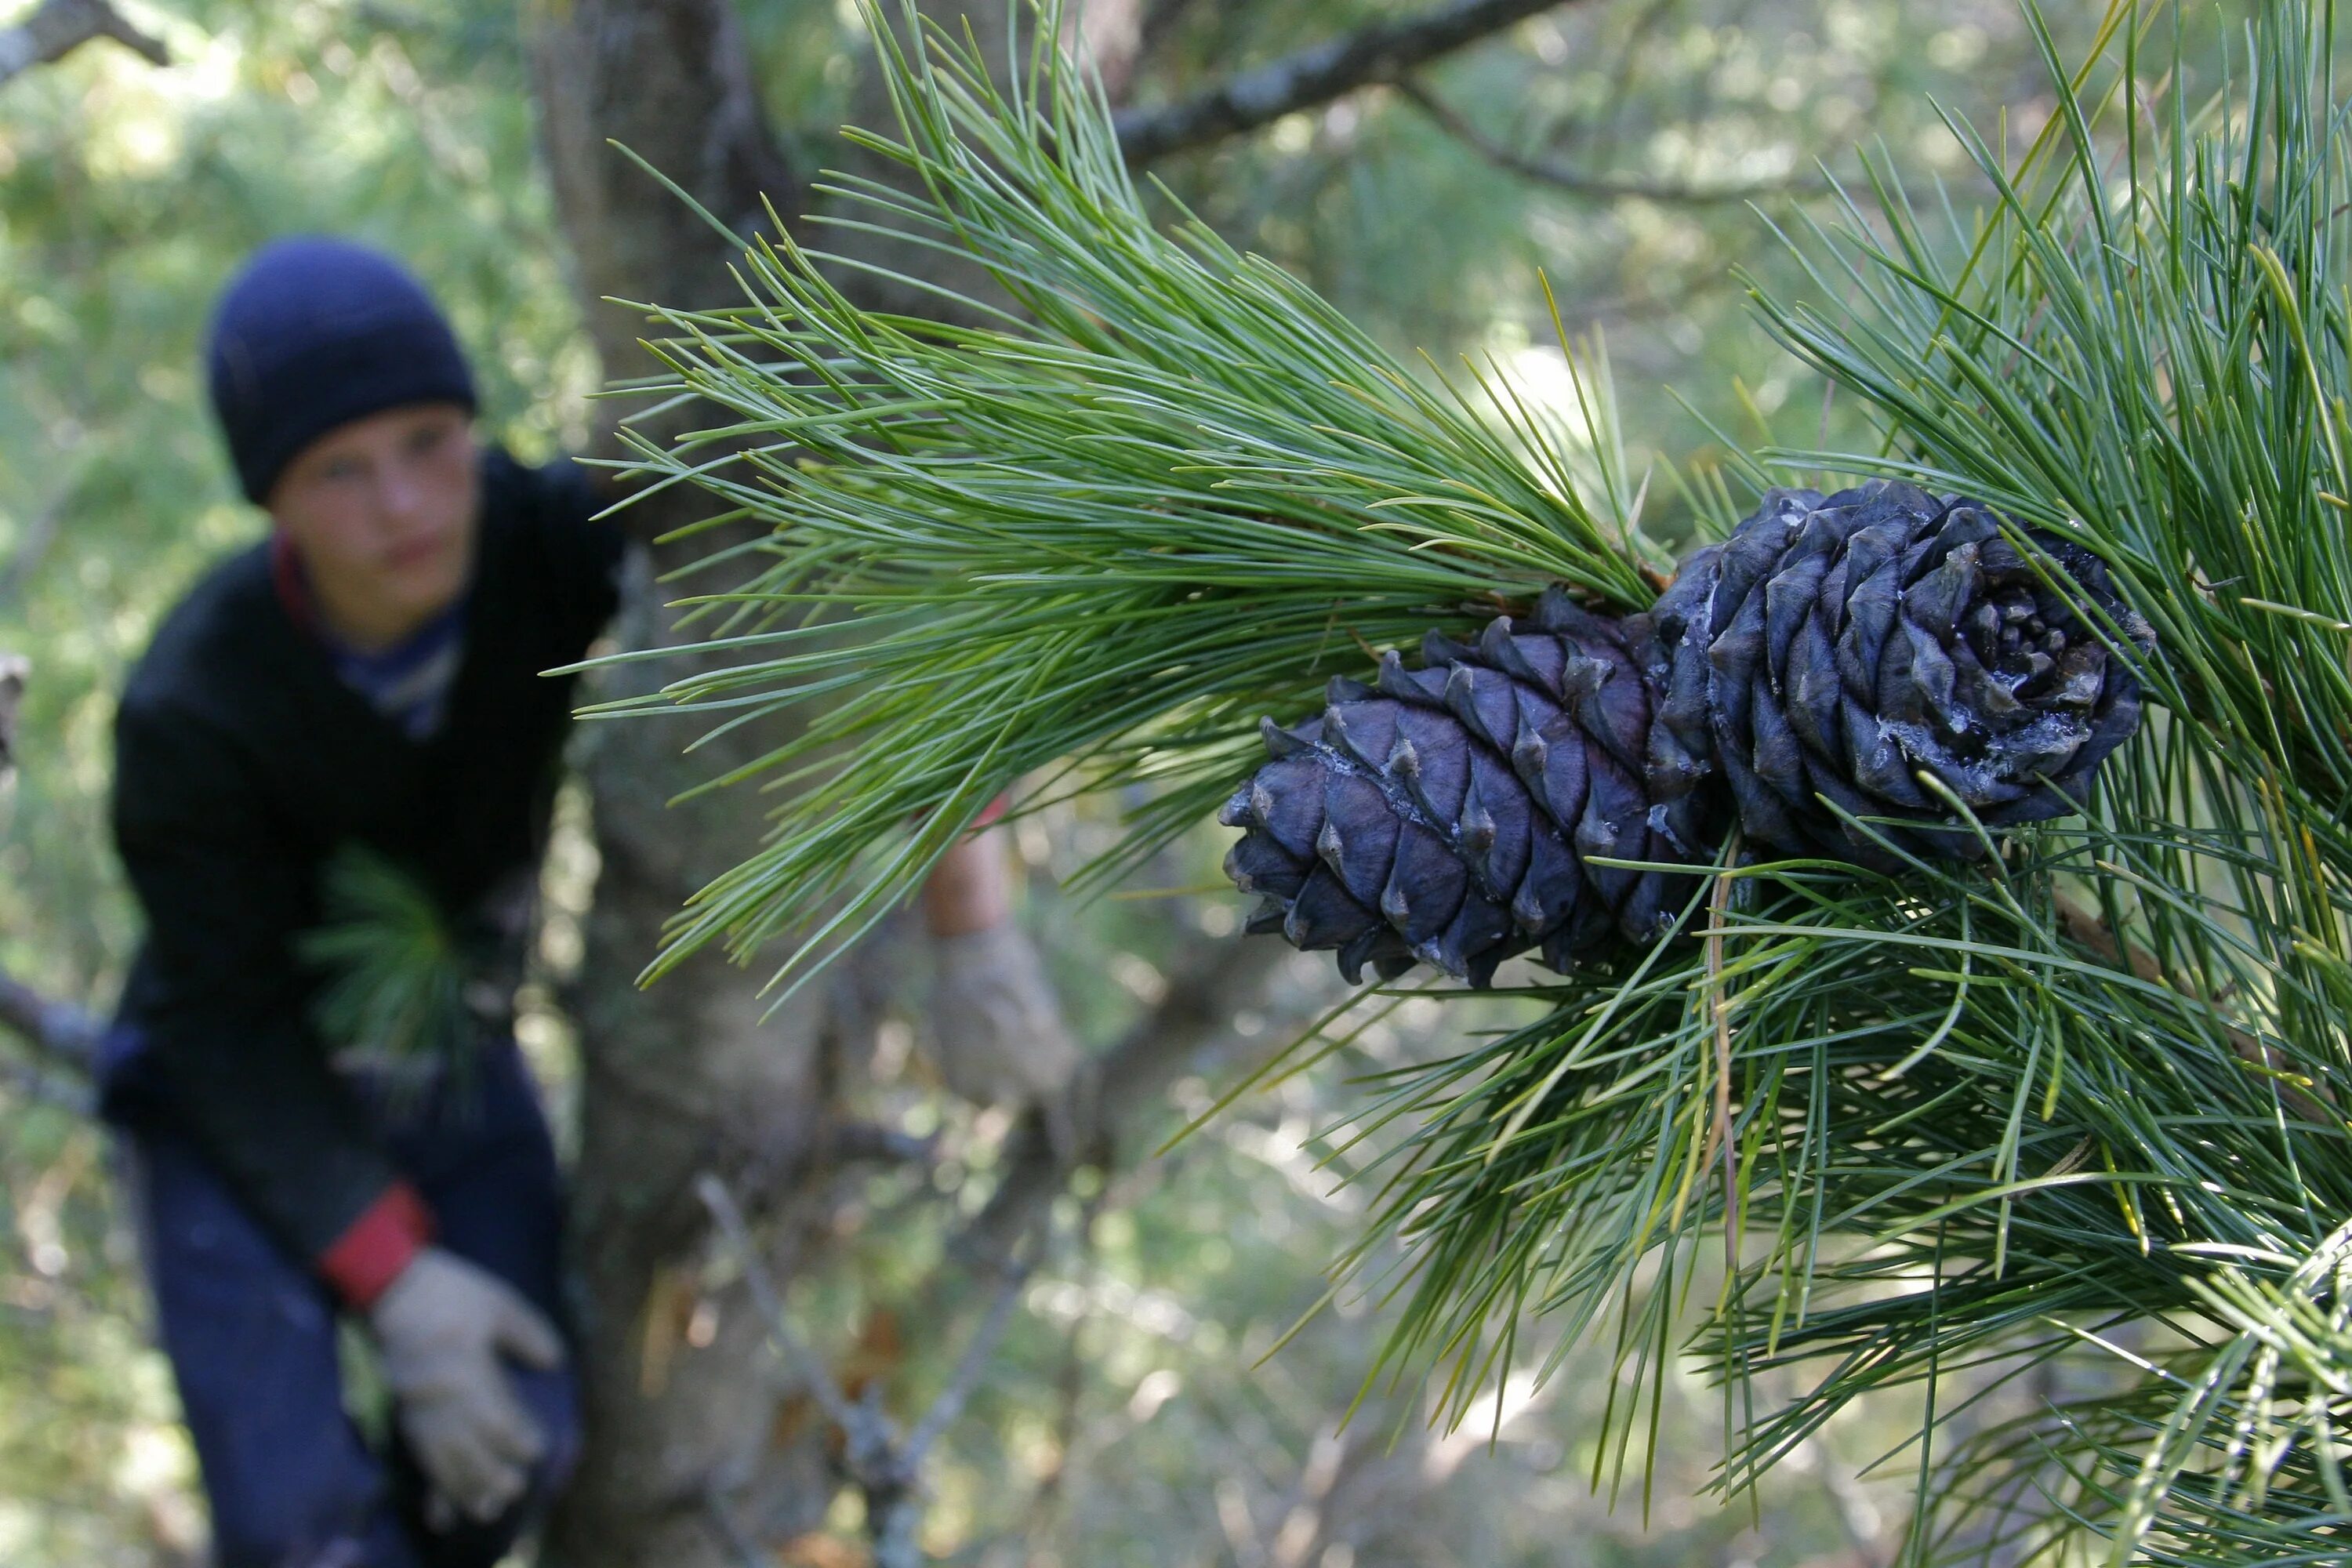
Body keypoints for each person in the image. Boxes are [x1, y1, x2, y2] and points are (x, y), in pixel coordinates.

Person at [100, 236, 1073, 1568]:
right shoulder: (192, 709)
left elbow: (865, 594)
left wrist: (974, 906)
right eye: (340, 468)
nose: (404, 501)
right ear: (271, 498)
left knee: (514, 1452)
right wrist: (395, 1279)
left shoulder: (540, 544)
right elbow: (223, 1028)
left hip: (450, 1057)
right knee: (292, 1525)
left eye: (431, 439)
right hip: (232, 1091)